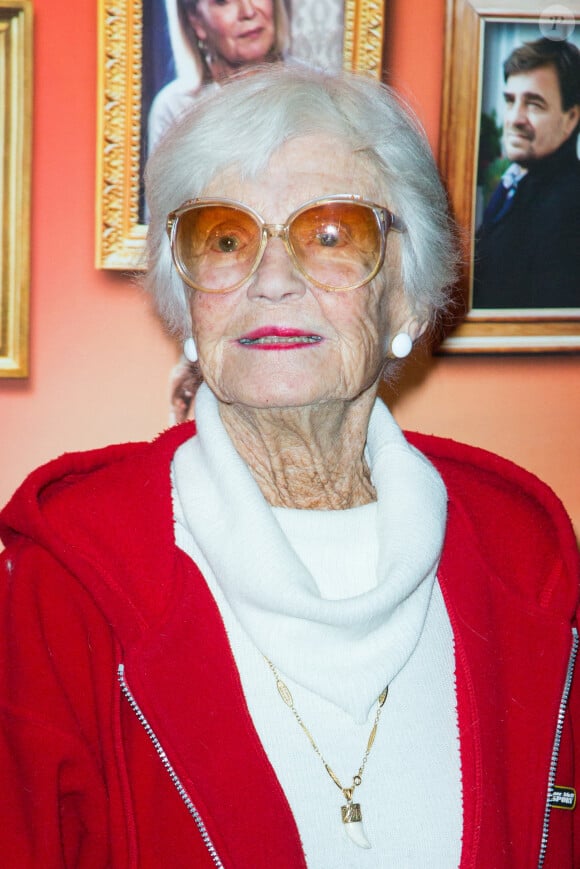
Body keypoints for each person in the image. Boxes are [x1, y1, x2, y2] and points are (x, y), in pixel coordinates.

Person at [1, 65, 579, 868]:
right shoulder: (68, 576)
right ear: (188, 296)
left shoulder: (526, 553)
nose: (272, 280)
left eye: (332, 234)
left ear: (407, 300)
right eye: (226, 239)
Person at [474, 37, 580, 309]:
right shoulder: (516, 179)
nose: (514, 119)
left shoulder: (569, 207)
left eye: (533, 104)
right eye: (510, 101)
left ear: (570, 118)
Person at [148, 0, 289, 153]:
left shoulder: (312, 87)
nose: (248, 12)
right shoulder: (176, 108)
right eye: (223, 2)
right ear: (196, 20)